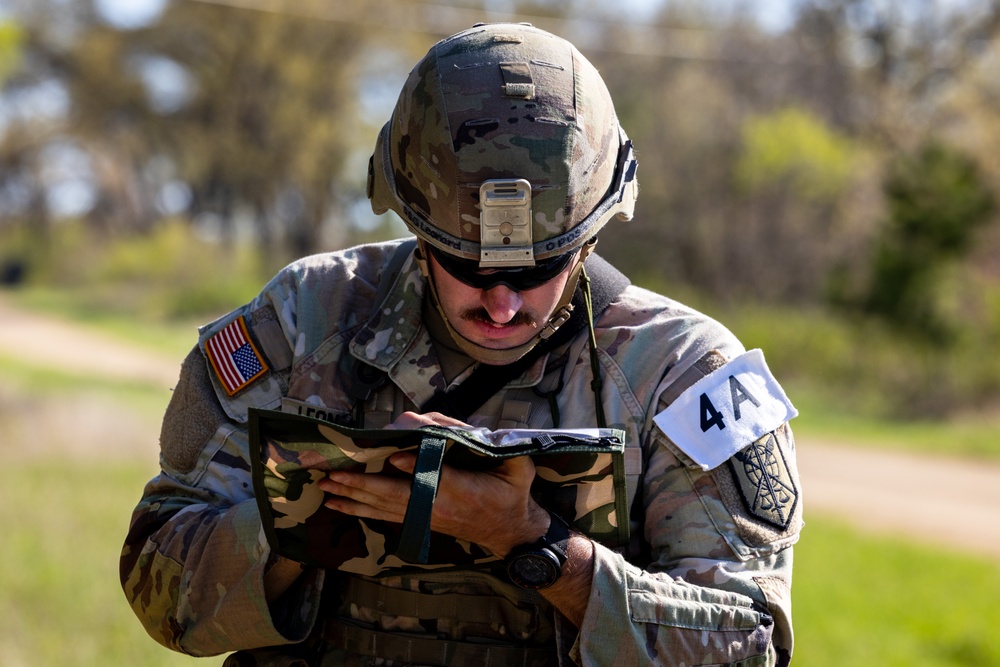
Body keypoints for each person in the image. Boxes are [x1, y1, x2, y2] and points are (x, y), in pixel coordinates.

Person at [121, 22, 802, 666]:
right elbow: (158, 588)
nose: (503, 302)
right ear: (415, 225)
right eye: (468, 264)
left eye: (539, 267)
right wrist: (317, 514)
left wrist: (532, 542)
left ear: (593, 233)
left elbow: (746, 644)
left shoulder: (686, 375)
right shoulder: (305, 319)